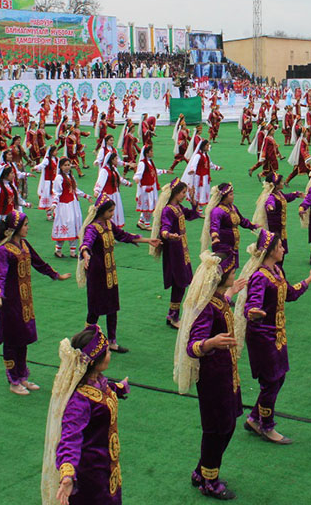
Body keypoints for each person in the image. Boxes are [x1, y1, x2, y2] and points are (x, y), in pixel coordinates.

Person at [176, 251, 249, 500]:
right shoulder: (207, 307)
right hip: (213, 380)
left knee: (225, 425)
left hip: (225, 375)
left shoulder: (217, 300)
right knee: (218, 429)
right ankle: (209, 479)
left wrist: (231, 293)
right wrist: (211, 342)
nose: (234, 274)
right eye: (232, 272)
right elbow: (192, 346)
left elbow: (221, 306)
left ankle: (202, 471)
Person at [238, 229, 311, 444]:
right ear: (272, 250)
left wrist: (309, 279)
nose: (283, 249)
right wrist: (253, 312)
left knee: (277, 378)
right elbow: (251, 304)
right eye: (280, 246)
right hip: (262, 337)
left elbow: (289, 294)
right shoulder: (260, 277)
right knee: (271, 380)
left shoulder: (277, 271)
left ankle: (255, 418)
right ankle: (265, 425)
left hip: (276, 335)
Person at [42, 324, 129, 505]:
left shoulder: (96, 382)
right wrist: (67, 475)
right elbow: (69, 437)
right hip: (91, 476)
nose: (110, 354)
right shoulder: (79, 402)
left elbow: (104, 391)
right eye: (107, 352)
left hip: (106, 467)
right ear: (94, 362)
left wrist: (119, 388)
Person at [0, 212, 71, 395]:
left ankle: (22, 376)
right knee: (12, 341)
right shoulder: (4, 251)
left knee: (23, 338)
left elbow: (38, 263)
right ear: (15, 228)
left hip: (24, 301)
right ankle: (13, 380)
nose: (27, 227)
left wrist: (55, 275)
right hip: (9, 303)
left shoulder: (24, 245)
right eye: (25, 224)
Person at [77, 196, 159, 354]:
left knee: (112, 306)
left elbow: (122, 235)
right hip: (97, 274)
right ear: (102, 211)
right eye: (110, 211)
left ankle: (112, 342)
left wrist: (147, 240)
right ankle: (86, 341)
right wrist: (85, 253)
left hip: (110, 273)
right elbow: (87, 242)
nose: (112, 214)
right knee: (94, 309)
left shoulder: (108, 224)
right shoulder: (92, 228)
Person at [150, 179, 194, 328]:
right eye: (183, 192)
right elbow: (165, 228)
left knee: (181, 283)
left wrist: (194, 202)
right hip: (174, 252)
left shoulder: (178, 207)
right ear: (175, 193)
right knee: (179, 282)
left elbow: (192, 215)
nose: (184, 195)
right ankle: (173, 317)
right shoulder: (168, 210)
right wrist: (169, 235)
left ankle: (172, 314)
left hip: (181, 249)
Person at [205, 183, 258, 275]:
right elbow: (214, 226)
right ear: (224, 196)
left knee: (232, 271)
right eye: (231, 194)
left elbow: (241, 220)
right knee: (223, 271)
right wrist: (215, 237)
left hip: (233, 246)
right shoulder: (217, 211)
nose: (233, 196)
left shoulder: (233, 207)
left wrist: (252, 226)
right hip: (223, 245)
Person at [251, 173, 301, 265]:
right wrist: (270, 207)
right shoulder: (271, 197)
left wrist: (295, 194)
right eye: (281, 182)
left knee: (281, 251)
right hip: (275, 230)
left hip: (281, 229)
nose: (283, 183)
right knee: (276, 253)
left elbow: (286, 198)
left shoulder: (279, 193)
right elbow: (269, 203)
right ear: (276, 185)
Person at [51, 158, 90, 258]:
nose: (67, 167)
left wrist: (85, 196)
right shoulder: (59, 178)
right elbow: (56, 192)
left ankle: (73, 251)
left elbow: (75, 189)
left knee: (74, 224)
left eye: (68, 165)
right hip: (64, 206)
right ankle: (58, 250)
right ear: (60, 167)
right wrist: (54, 204)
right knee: (64, 225)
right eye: (65, 165)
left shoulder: (71, 176)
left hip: (73, 204)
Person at [93, 153, 132, 228]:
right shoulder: (104, 170)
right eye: (116, 159)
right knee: (108, 212)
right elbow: (100, 181)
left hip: (115, 194)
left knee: (115, 211)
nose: (117, 160)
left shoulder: (113, 168)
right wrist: (97, 191)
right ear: (111, 160)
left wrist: (127, 183)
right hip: (108, 196)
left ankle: (114, 229)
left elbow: (119, 178)